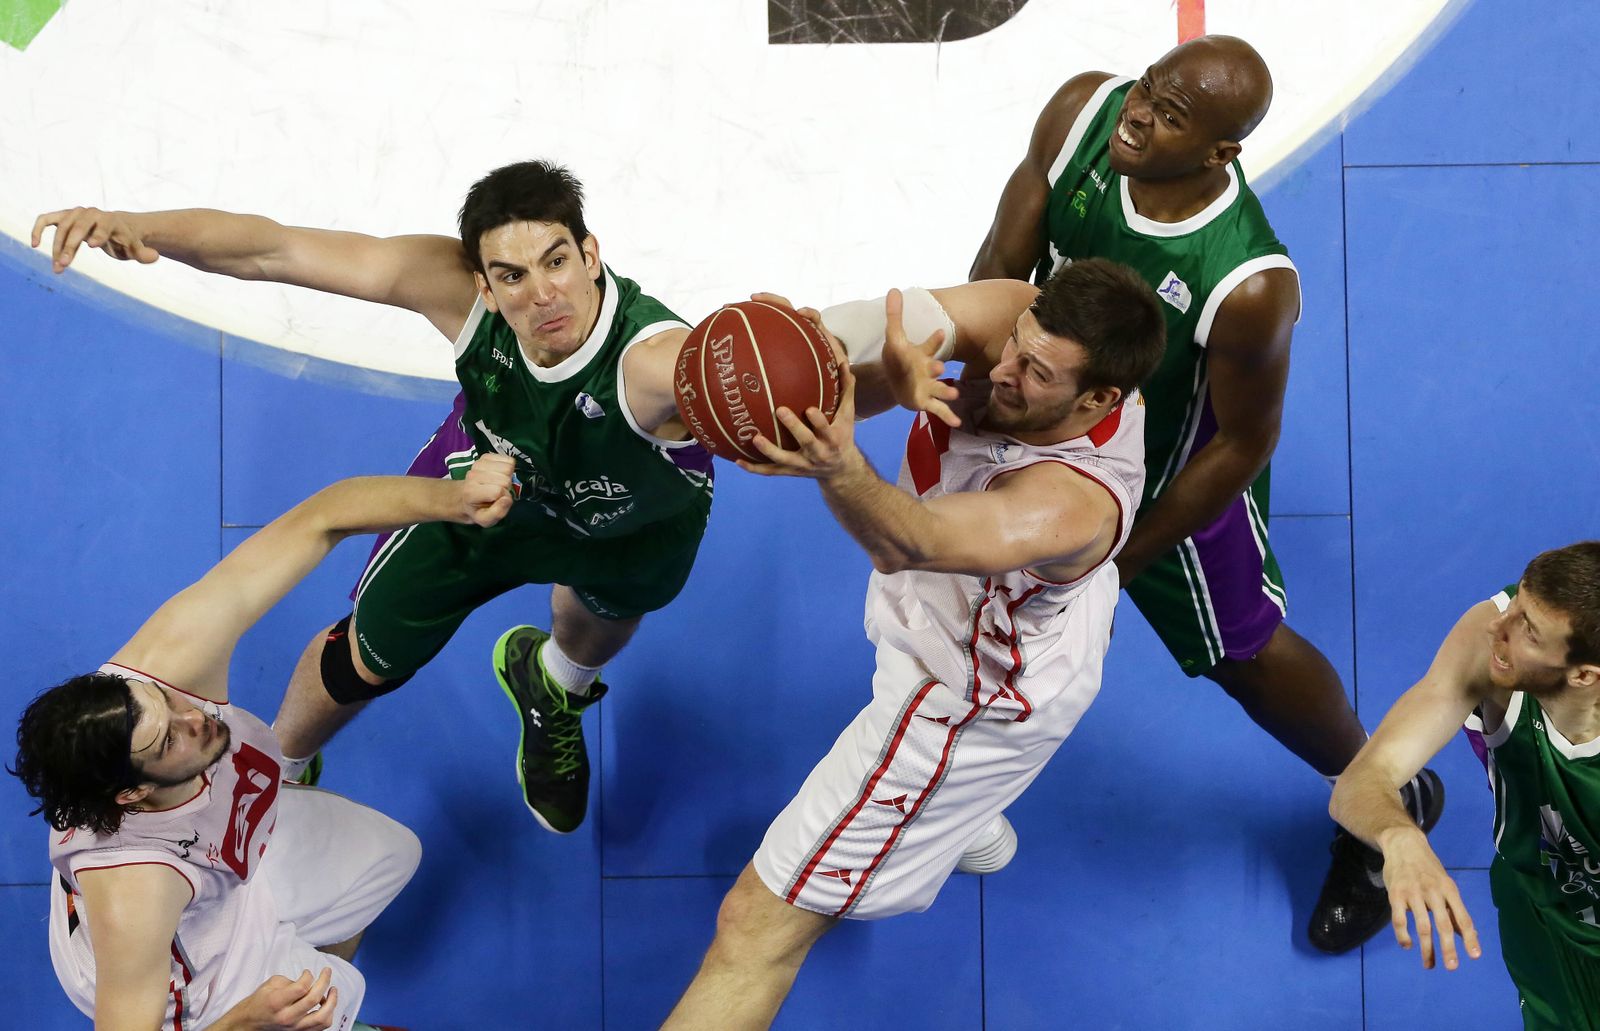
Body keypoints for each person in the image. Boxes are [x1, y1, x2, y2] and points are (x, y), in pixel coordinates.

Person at [31, 160, 714, 834]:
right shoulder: (457, 294)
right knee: (365, 657)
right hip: (478, 493)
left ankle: (554, 685)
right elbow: (274, 249)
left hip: (630, 521)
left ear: (590, 255)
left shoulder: (654, 363)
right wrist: (136, 226)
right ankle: (277, 772)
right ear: (483, 284)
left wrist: (772, 400)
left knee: (603, 616)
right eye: (512, 275)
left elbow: (732, 376)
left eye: (556, 261)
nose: (542, 294)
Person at [968, 33, 1443, 951]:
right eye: (1148, 88)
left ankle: (1385, 796)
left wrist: (1120, 555)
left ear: (1221, 152)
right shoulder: (1080, 115)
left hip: (1170, 475)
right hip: (1053, 418)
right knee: (983, 609)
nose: (1138, 114)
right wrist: (982, 395)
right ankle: (963, 795)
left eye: (1170, 115)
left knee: (1243, 654)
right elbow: (999, 265)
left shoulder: (1249, 282)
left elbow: (1245, 443)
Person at [663, 258, 1167, 1028]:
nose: (1005, 368)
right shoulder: (1025, 320)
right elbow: (885, 326)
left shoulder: (1070, 503)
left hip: (964, 702)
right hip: (1010, 626)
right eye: (1016, 343)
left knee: (752, 926)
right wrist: (811, 345)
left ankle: (952, 803)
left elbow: (910, 541)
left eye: (1036, 372)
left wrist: (837, 462)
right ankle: (962, 821)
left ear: (1100, 398)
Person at [10, 454, 517, 1031]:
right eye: (168, 739)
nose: (193, 716)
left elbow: (323, 517)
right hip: (176, 967)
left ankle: (297, 953)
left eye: (165, 703)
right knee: (321, 1005)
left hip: (217, 863)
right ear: (132, 793)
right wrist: (246, 1020)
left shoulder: (166, 665)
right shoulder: (136, 890)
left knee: (392, 855)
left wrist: (454, 500)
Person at [1331, 543, 1600, 1029]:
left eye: (1528, 630)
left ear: (1583, 674)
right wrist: (1400, 837)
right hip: (1540, 908)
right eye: (1518, 604)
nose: (1499, 626)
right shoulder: (1487, 640)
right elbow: (1362, 780)